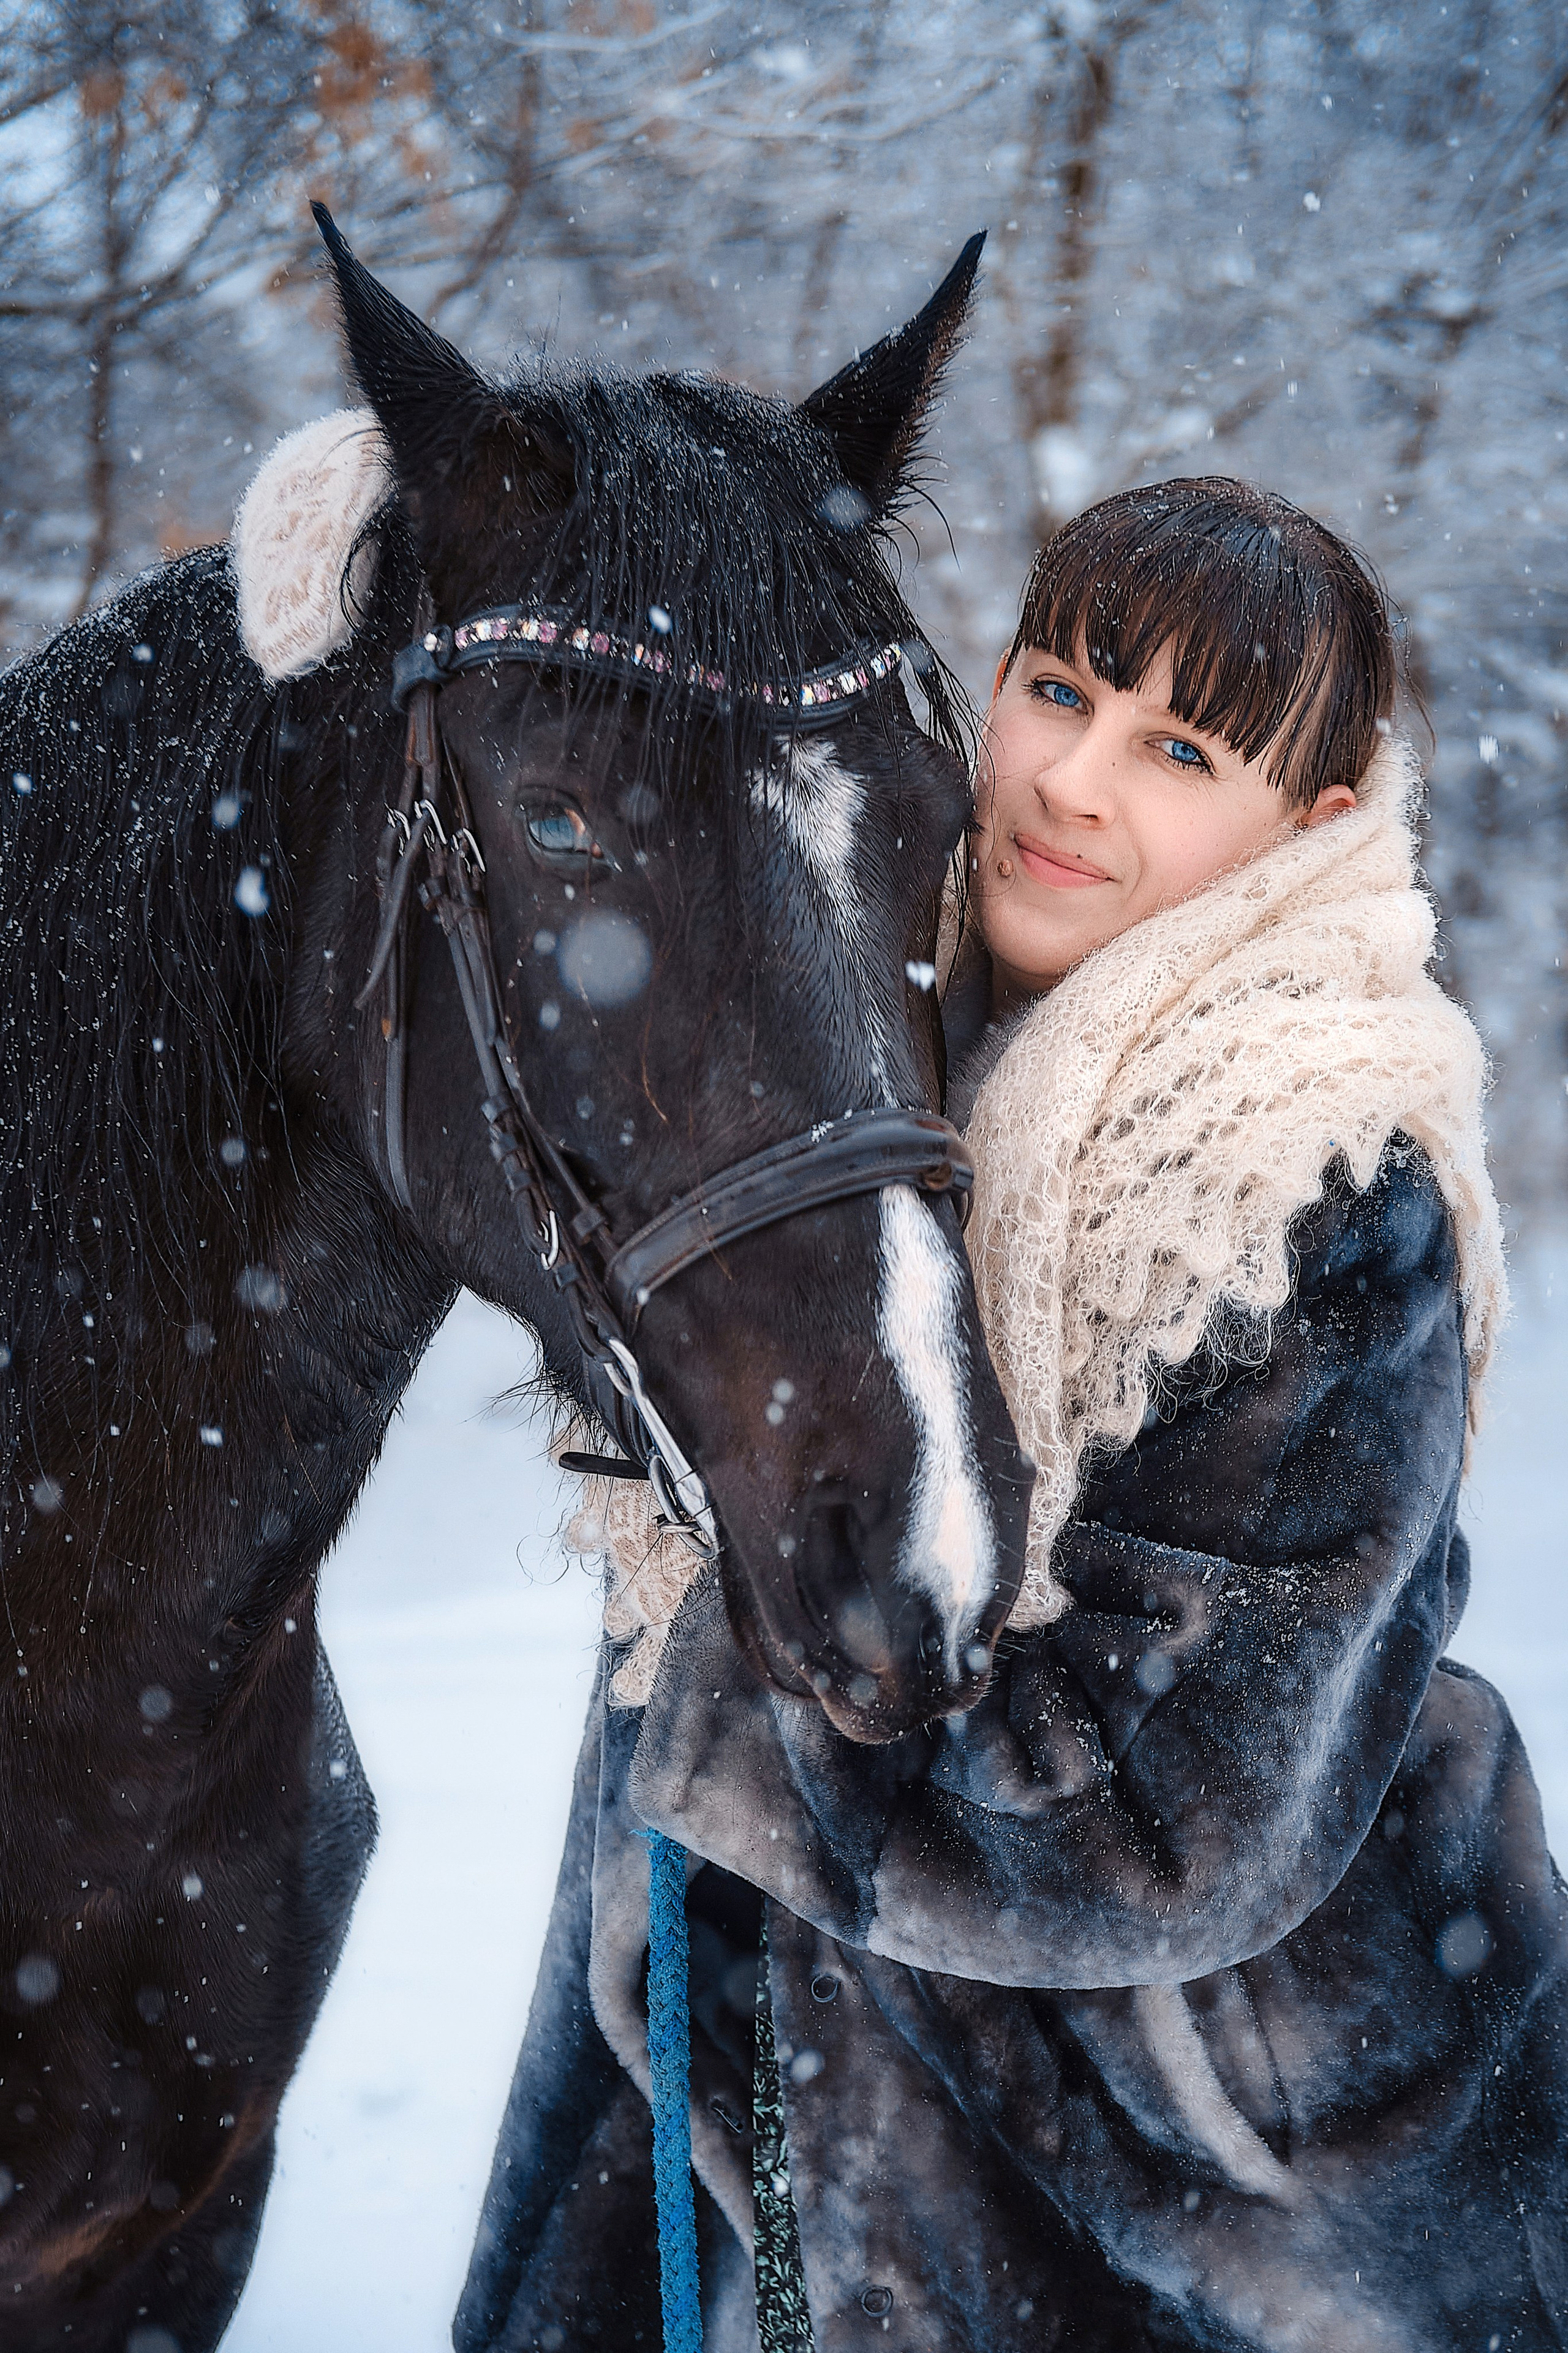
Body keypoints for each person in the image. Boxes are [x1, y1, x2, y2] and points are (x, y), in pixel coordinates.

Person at [458, 478, 1567, 2353]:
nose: (1073, 779)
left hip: (1249, 2173)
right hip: (838, 2138)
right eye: (1059, 688)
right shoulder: (851, 1062)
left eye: (1179, 745)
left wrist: (748, 1683)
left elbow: (1167, 1825)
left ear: (1305, 828)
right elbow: (683, 1742)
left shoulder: (1315, 1176)